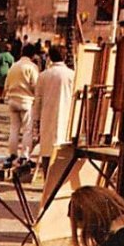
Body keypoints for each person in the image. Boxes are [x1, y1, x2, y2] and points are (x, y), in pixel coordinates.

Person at [33, 45, 75, 177]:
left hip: (47, 117)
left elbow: (37, 100)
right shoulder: (72, 75)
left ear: (49, 57)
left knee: (47, 151)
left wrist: (36, 121)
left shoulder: (43, 76)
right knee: (64, 151)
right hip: (68, 118)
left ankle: (48, 182)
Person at [4, 43, 39, 164]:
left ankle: (12, 154)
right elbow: (35, 85)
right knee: (27, 130)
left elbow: (6, 85)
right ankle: (24, 156)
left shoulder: (13, 66)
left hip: (12, 100)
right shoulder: (31, 67)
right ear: (33, 55)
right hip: (26, 101)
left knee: (14, 129)